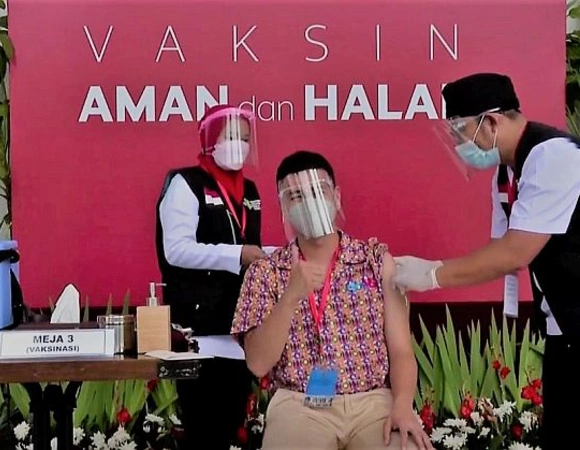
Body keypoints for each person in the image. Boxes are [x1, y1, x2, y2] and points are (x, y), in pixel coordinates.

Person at [393, 73, 580, 450]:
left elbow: (514, 253)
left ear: (491, 121)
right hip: (562, 326)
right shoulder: (506, 173)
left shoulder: (553, 156)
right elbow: (499, 253)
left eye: (460, 131)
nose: (459, 143)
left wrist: (432, 274)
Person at [231, 151, 433, 450]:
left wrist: (402, 406)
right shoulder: (265, 272)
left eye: (318, 191)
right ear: (283, 206)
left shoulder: (376, 261)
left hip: (373, 403)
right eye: (296, 196)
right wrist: (291, 296)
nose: (309, 203)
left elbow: (402, 351)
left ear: (336, 197)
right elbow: (258, 363)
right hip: (299, 403)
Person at [155, 104, 266, 450]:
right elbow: (176, 250)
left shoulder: (250, 191)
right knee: (203, 429)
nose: (239, 145)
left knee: (231, 423)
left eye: (245, 138)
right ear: (210, 140)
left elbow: (252, 247)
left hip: (240, 327)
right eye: (231, 137)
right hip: (198, 328)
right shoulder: (186, 184)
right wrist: (236, 255)